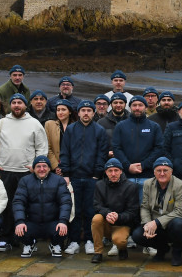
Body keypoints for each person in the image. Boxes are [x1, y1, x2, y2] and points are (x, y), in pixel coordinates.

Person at [0, 93, 48, 252]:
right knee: (6, 206)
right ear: (10, 106)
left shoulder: (34, 123)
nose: (16, 105)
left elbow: (42, 148)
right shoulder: (1, 123)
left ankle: (28, 239)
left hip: (27, 172)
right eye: (13, 102)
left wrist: (37, 166)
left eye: (20, 102)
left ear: (25, 105)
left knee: (28, 206)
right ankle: (5, 238)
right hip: (6, 171)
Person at [59, 99, 109, 256]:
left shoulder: (100, 130)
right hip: (73, 177)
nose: (86, 113)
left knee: (90, 210)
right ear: (78, 112)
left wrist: (97, 174)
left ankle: (89, 240)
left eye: (89, 110)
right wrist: (66, 174)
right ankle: (74, 241)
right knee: (74, 210)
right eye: (83, 110)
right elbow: (64, 152)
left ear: (93, 113)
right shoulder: (71, 130)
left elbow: (102, 154)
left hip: (91, 177)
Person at [131, 157, 182, 266]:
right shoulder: (148, 184)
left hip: (172, 223)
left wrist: (156, 222)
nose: (162, 173)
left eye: (165, 170)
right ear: (154, 172)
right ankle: (162, 249)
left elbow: (180, 212)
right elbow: (144, 207)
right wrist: (146, 224)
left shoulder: (180, 186)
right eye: (159, 170)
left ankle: (177, 253)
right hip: (155, 224)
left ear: (171, 171)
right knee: (137, 235)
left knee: (179, 224)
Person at [14, 156, 72, 258]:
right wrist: (20, 221)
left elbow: (65, 202)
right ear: (34, 168)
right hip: (32, 221)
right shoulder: (25, 181)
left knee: (63, 231)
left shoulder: (58, 180)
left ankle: (54, 244)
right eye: (38, 166)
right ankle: (29, 244)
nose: (42, 169)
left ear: (49, 168)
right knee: (19, 231)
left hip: (52, 221)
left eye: (45, 166)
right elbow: (18, 202)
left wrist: (63, 221)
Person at [112, 95, 164, 199]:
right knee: (126, 208)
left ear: (145, 107)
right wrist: (127, 166)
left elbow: (159, 148)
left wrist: (144, 165)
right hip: (126, 176)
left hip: (147, 176)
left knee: (145, 209)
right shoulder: (121, 126)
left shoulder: (154, 126)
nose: (137, 108)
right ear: (130, 107)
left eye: (140, 105)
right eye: (134, 105)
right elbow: (116, 148)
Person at [90, 158, 139, 262]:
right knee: (96, 219)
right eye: (110, 171)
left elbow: (133, 211)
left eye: (116, 170)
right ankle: (98, 252)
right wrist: (107, 213)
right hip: (106, 221)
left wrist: (118, 216)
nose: (113, 174)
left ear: (121, 171)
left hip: (122, 223)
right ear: (105, 172)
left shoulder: (131, 187)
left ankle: (122, 248)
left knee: (119, 240)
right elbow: (97, 205)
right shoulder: (100, 185)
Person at [44, 99, 76, 177]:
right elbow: (48, 147)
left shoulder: (76, 126)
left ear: (70, 111)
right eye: (58, 110)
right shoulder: (49, 124)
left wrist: (67, 168)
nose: (60, 112)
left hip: (73, 168)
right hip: (54, 168)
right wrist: (56, 166)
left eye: (63, 110)